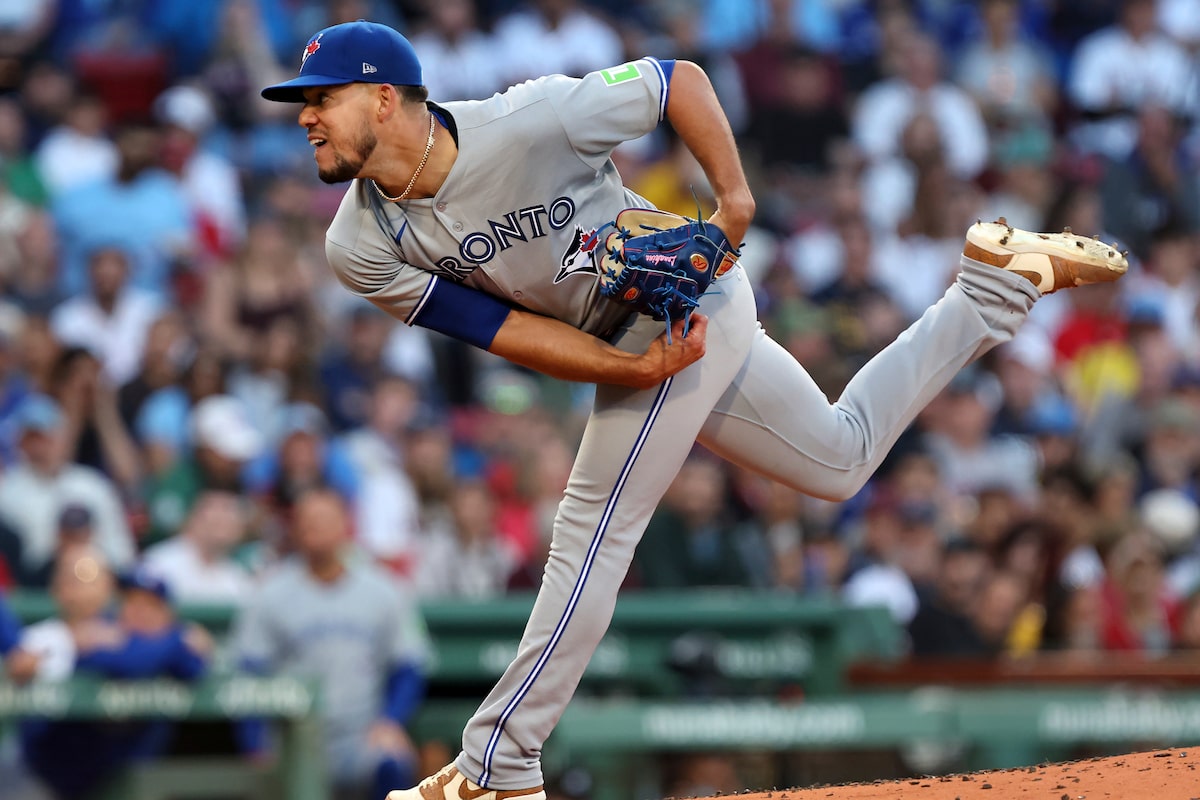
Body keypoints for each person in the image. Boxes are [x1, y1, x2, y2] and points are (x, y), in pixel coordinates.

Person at [259, 20, 1128, 799]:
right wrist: (617, 366)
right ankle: (988, 292)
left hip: (689, 302)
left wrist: (735, 201)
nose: (304, 118)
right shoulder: (358, 242)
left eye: (320, 100)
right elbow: (499, 327)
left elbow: (677, 80)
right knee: (839, 457)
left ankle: (498, 765)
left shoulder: (529, 119)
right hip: (630, 338)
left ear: (385, 96)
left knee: (592, 521)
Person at [231, 488, 429, 800]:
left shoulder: (383, 589)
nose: (314, 528)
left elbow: (409, 665)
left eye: (324, 520)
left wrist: (390, 721)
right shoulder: (270, 593)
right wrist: (255, 743)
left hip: (361, 732)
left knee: (392, 763)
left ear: (345, 526)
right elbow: (249, 671)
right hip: (292, 737)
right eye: (306, 521)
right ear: (294, 529)